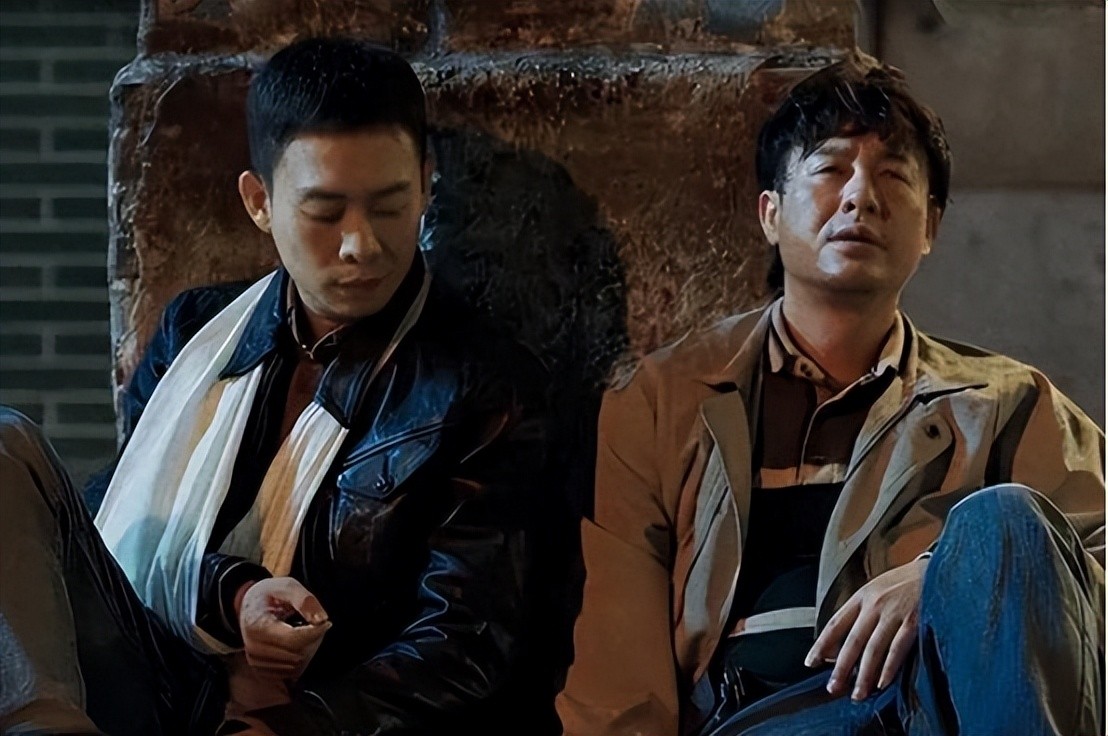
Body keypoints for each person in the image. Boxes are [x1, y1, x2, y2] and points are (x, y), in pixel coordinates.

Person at [0, 36, 550, 736]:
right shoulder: (198, 331)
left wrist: (298, 724)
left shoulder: (484, 387)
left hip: (312, 715)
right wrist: (231, 595)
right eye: (325, 212)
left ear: (425, 183)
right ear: (259, 201)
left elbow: (467, 642)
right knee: (6, 445)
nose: (360, 245)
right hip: (156, 678)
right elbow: (122, 533)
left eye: (389, 206)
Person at [555, 55, 1105, 736]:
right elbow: (615, 661)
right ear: (770, 213)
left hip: (933, 711)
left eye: (893, 176)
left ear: (930, 227)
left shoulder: (1007, 404)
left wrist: (944, 578)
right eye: (830, 169)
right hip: (757, 720)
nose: (860, 197)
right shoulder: (662, 402)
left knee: (1006, 518)